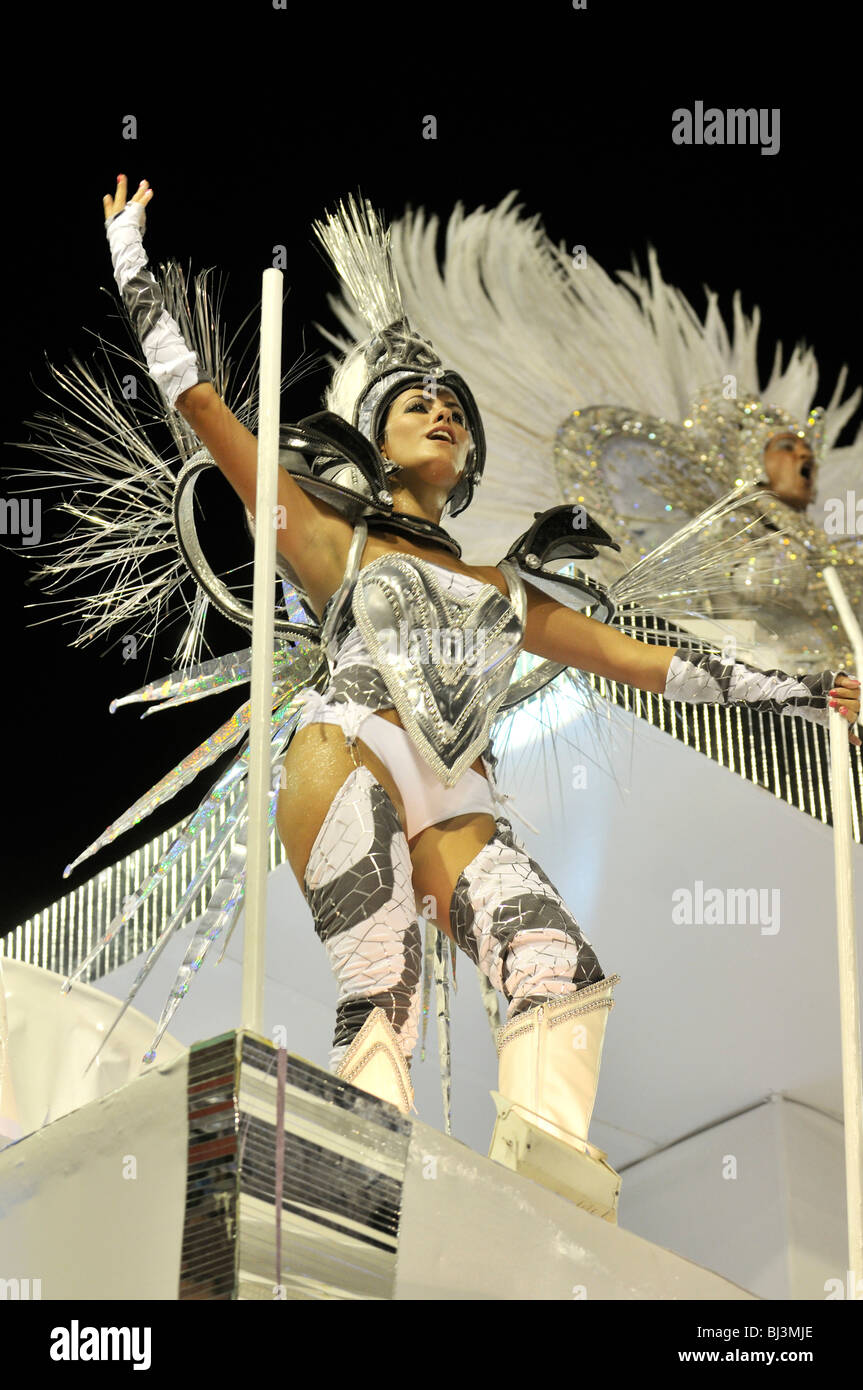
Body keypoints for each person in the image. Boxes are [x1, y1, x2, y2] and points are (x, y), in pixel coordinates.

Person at [86, 176, 863, 1222]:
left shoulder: (507, 591)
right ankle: (349, 1208)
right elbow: (200, 404)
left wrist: (809, 691)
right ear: (375, 437)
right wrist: (130, 258)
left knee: (555, 967)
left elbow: (657, 666)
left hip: (458, 790)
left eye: (451, 405)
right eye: (417, 402)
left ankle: (540, 1194)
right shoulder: (326, 540)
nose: (439, 409)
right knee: (383, 991)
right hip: (348, 748)